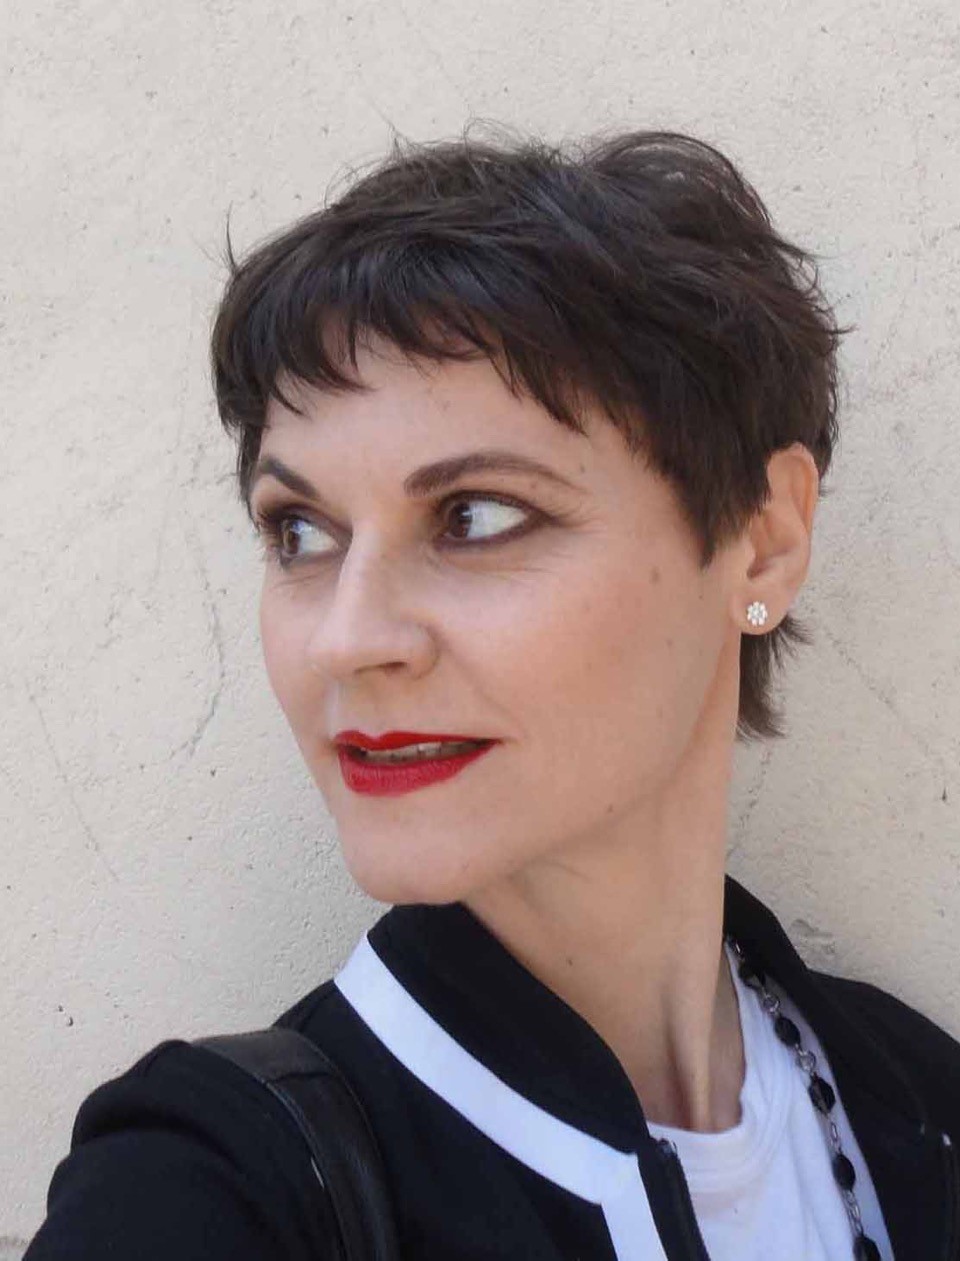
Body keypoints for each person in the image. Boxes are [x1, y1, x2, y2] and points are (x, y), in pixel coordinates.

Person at [23, 127, 960, 1261]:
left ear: (761, 542)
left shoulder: (924, 1107)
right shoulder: (207, 1188)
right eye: (301, 531)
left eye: (474, 516)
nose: (347, 639)